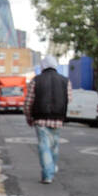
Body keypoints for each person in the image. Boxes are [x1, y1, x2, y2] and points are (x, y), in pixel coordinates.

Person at [26, 54, 71, 183]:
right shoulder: (65, 81)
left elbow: (29, 101)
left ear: (43, 66)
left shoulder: (36, 80)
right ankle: (52, 167)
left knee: (44, 146)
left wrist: (29, 117)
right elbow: (69, 98)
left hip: (40, 119)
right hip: (58, 118)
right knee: (54, 146)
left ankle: (48, 174)